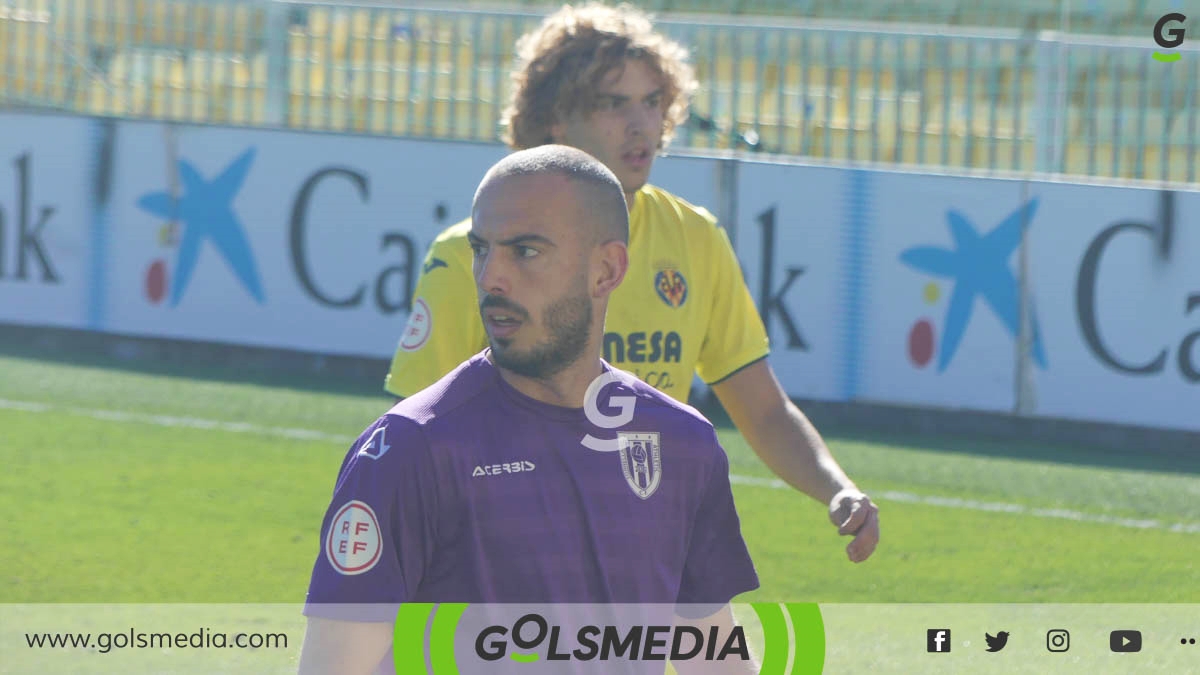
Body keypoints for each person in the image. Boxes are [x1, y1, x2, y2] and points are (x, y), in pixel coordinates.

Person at [384, 2, 879, 564]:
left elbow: (762, 410)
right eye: (613, 104)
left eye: (651, 102)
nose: (641, 124)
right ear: (554, 118)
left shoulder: (696, 238)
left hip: (649, 557)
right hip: (508, 566)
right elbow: (410, 436)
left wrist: (837, 487)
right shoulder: (468, 255)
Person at [299, 145, 760, 675]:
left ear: (606, 270)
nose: (492, 276)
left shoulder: (682, 444)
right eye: (481, 249)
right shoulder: (410, 449)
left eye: (526, 251)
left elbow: (714, 657)